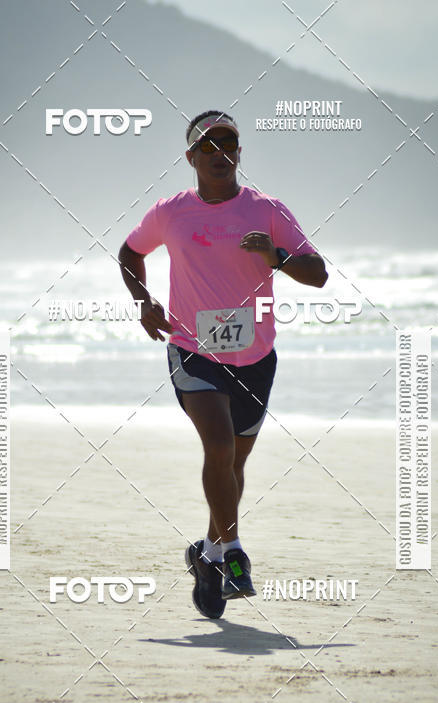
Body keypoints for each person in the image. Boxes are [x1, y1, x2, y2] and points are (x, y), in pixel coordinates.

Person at [118, 110, 327, 620]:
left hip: (255, 357)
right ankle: (234, 553)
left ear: (239, 151)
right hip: (193, 350)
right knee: (216, 444)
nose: (218, 152)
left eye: (228, 142)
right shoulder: (171, 213)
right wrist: (145, 301)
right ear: (191, 157)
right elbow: (129, 252)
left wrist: (275, 255)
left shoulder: (267, 210)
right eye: (207, 145)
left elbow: (318, 273)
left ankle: (207, 555)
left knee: (232, 466)